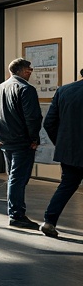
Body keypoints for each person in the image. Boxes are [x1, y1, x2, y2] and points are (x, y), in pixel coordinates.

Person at [0, 57, 42, 229]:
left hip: (4, 142)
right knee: (18, 179)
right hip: (22, 142)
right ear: (23, 70)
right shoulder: (26, 89)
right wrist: (34, 139)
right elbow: (32, 118)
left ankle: (16, 212)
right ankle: (16, 215)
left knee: (13, 177)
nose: (31, 72)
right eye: (29, 69)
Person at [39, 68, 83, 238]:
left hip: (70, 152)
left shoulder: (64, 91)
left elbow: (49, 122)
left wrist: (62, 143)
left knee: (66, 187)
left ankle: (49, 221)